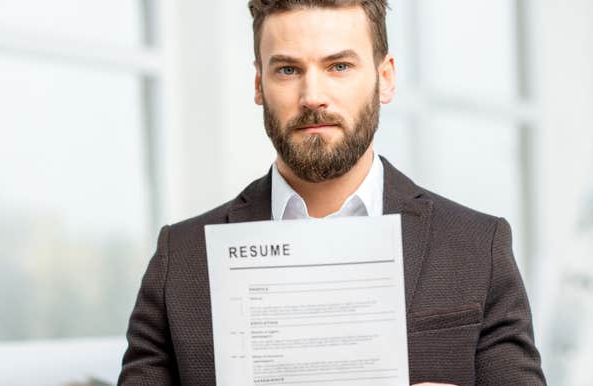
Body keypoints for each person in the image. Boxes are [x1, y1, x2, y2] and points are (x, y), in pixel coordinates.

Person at [118, 1, 546, 385]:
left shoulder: (475, 248)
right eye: (287, 69)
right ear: (258, 84)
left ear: (385, 78)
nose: (313, 96)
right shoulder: (183, 259)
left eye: (339, 66)